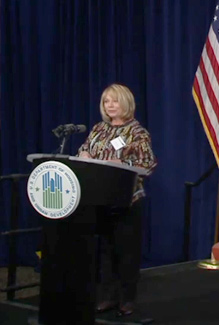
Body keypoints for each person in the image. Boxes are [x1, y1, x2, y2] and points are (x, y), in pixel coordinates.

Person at [78, 83, 157, 316]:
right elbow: (85, 149)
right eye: (106, 102)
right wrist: (83, 153)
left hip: (127, 200)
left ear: (126, 103)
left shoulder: (137, 132)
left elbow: (148, 164)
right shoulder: (98, 129)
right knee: (104, 252)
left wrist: (122, 165)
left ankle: (127, 299)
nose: (110, 106)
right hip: (100, 199)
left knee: (126, 252)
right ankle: (107, 297)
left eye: (115, 101)